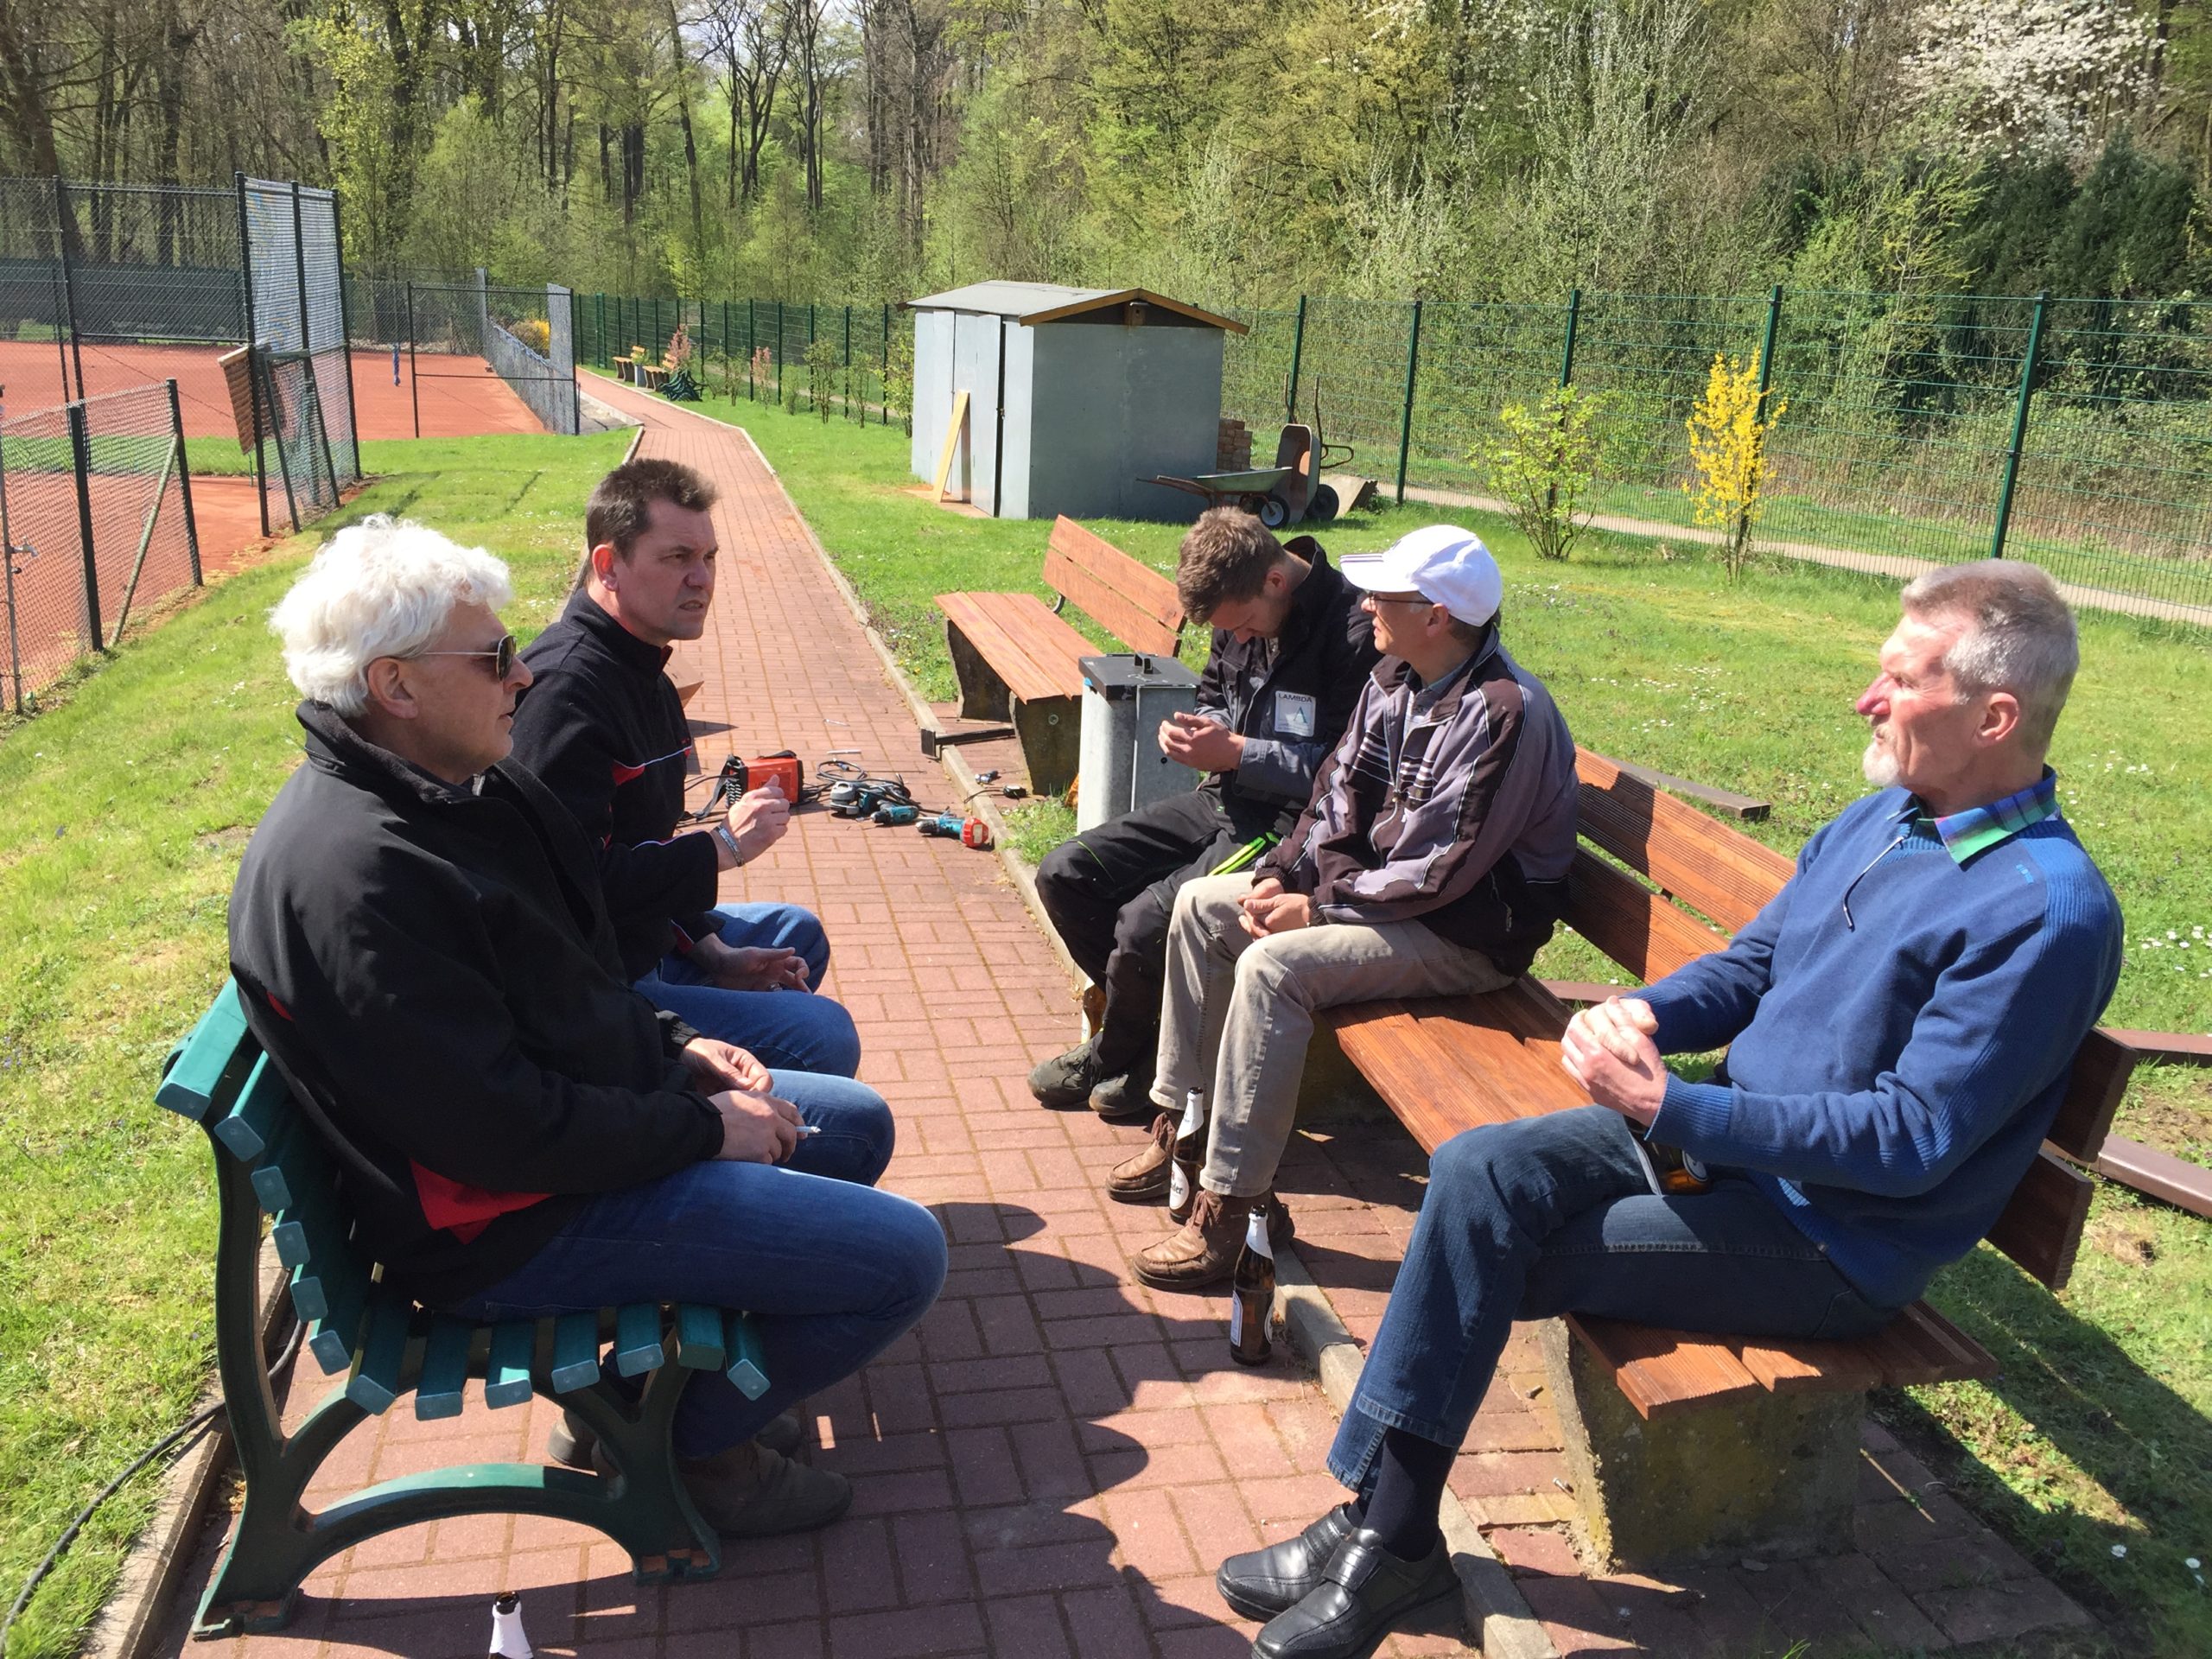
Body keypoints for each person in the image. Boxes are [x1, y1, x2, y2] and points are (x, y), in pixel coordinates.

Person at [1217, 560, 2124, 1659]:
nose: (1865, 699)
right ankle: (1387, 1527)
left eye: (1898, 680)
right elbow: (1752, 964)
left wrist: (1672, 1107)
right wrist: (1643, 1013)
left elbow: (1908, 1143)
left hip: (1828, 1238)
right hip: (1727, 1149)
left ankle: (1383, 1537)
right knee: (1477, 1175)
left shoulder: (2044, 912)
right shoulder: (1888, 818)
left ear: (1994, 717)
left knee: (1483, 1251)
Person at [228, 517, 945, 1537]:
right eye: (494, 657)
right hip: (504, 1230)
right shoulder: (361, 879)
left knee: (853, 1126)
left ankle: (656, 1404)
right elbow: (499, 1131)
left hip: (548, 1161)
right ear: (395, 686)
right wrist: (703, 1130)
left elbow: (567, 986)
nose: (521, 675)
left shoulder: (446, 794)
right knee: (905, 1260)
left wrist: (676, 1049)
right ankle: (684, 1447)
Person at [1126, 525, 1580, 1289]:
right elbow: (1335, 796)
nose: (1365, 603)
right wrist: (1282, 873)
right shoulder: (1394, 677)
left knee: (1274, 970)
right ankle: (1183, 1127)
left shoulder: (1504, 711)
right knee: (1203, 907)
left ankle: (1232, 1211)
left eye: (1384, 595)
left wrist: (1319, 909)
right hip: (1384, 901)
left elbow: (1439, 871)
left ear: (1437, 616)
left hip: (1463, 934)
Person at [508, 457, 861, 1077]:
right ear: (608, 566)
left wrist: (712, 951)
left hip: (645, 938)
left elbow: (648, 845)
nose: (702, 579)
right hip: (601, 982)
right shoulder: (565, 694)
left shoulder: (645, 672)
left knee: (797, 933)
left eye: (709, 557)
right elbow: (566, 892)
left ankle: (752, 1089)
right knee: (825, 1036)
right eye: (677, 558)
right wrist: (720, 848)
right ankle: (740, 1115)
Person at [1030, 507, 1378, 1122]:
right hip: (1221, 797)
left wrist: (1241, 753)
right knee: (1065, 873)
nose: (1236, 638)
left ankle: (1119, 1053)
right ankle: (1147, 1035)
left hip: (1287, 827)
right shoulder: (1237, 604)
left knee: (1144, 922)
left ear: (1276, 580)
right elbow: (1216, 692)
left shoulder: (1353, 632)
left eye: (1242, 626)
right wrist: (1202, 730)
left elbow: (1346, 771)